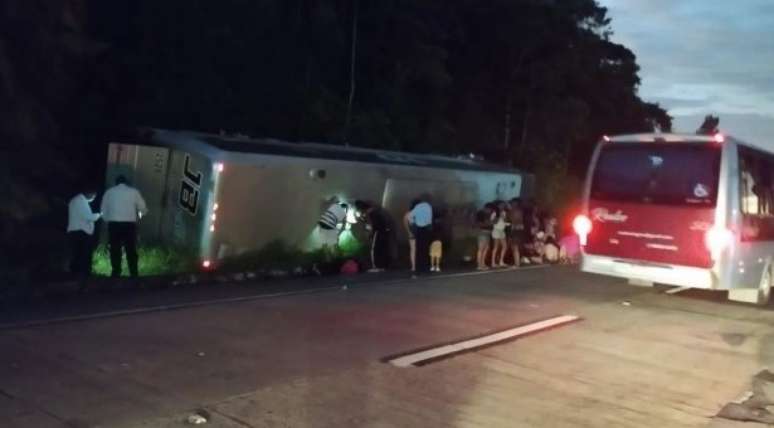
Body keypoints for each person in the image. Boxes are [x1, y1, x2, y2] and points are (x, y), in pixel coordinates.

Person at [101, 175, 148, 277]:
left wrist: (107, 220)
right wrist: (140, 215)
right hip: (129, 225)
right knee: (130, 249)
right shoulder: (134, 192)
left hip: (114, 224)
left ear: (116, 183)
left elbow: (103, 210)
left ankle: (116, 272)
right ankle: (134, 273)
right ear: (126, 183)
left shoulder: (109, 192)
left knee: (115, 248)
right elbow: (143, 208)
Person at [66, 188, 101, 278]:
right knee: (84, 253)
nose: (93, 198)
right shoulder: (81, 201)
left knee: (76, 253)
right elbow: (88, 217)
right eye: (93, 196)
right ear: (89, 194)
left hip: (74, 231)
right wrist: (98, 215)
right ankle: (83, 274)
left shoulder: (74, 200)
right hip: (81, 232)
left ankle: (74, 274)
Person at [355, 200, 391, 272]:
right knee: (381, 249)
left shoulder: (371, 214)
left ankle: (376, 266)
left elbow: (372, 226)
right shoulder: (377, 212)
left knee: (374, 249)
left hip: (378, 233)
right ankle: (382, 266)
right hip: (384, 233)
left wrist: (361, 221)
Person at [408, 198, 433, 273]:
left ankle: (419, 267)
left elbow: (410, 216)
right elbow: (430, 218)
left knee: (419, 249)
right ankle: (426, 266)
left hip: (419, 229)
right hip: (427, 229)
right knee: (426, 248)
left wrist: (413, 224)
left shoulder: (417, 207)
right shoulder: (428, 206)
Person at [475, 203, 495, 270]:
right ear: (486, 208)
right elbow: (479, 224)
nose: (490, 211)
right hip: (482, 233)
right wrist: (489, 223)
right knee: (481, 248)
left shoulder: (488, 215)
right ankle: (479, 264)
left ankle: (482, 263)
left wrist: (490, 223)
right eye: (490, 209)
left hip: (487, 233)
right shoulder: (481, 214)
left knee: (486, 248)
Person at [403, 199, 421, 272]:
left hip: (412, 232)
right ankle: (418, 265)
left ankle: (413, 266)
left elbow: (405, 224)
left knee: (413, 250)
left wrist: (409, 232)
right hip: (419, 232)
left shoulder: (408, 214)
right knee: (419, 249)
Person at [507, 198, 525, 267]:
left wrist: (510, 212)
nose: (511, 204)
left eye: (512, 203)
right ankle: (516, 263)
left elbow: (514, 220)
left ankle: (517, 264)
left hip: (516, 230)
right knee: (514, 247)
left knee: (515, 247)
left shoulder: (516, 211)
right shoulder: (517, 211)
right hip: (517, 230)